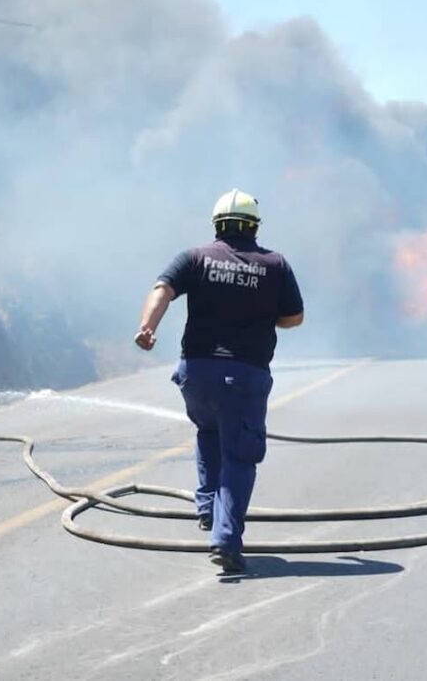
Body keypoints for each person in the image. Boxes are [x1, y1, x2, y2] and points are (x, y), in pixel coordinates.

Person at [134, 189, 304, 572]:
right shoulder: (275, 264)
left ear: (217, 224)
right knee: (239, 456)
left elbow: (162, 289)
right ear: (254, 226)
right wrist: (261, 314)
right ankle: (226, 541)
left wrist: (147, 328)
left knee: (208, 430)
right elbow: (294, 317)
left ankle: (208, 508)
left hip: (196, 374)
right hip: (244, 376)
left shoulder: (194, 258)